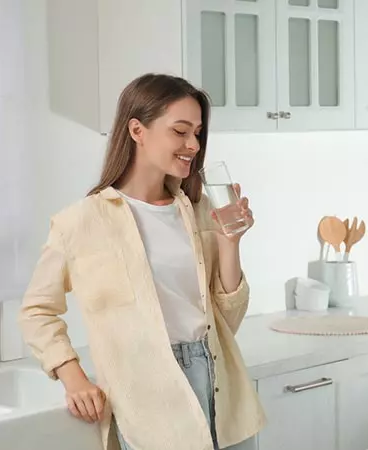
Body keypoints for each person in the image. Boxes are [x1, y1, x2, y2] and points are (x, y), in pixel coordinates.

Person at [18, 73, 266, 450]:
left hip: (223, 386)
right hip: (150, 399)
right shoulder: (80, 222)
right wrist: (73, 377)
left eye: (197, 133)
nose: (193, 145)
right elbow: (37, 310)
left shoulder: (200, 211)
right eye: (180, 131)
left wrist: (230, 244)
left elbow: (226, 321)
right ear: (137, 129)